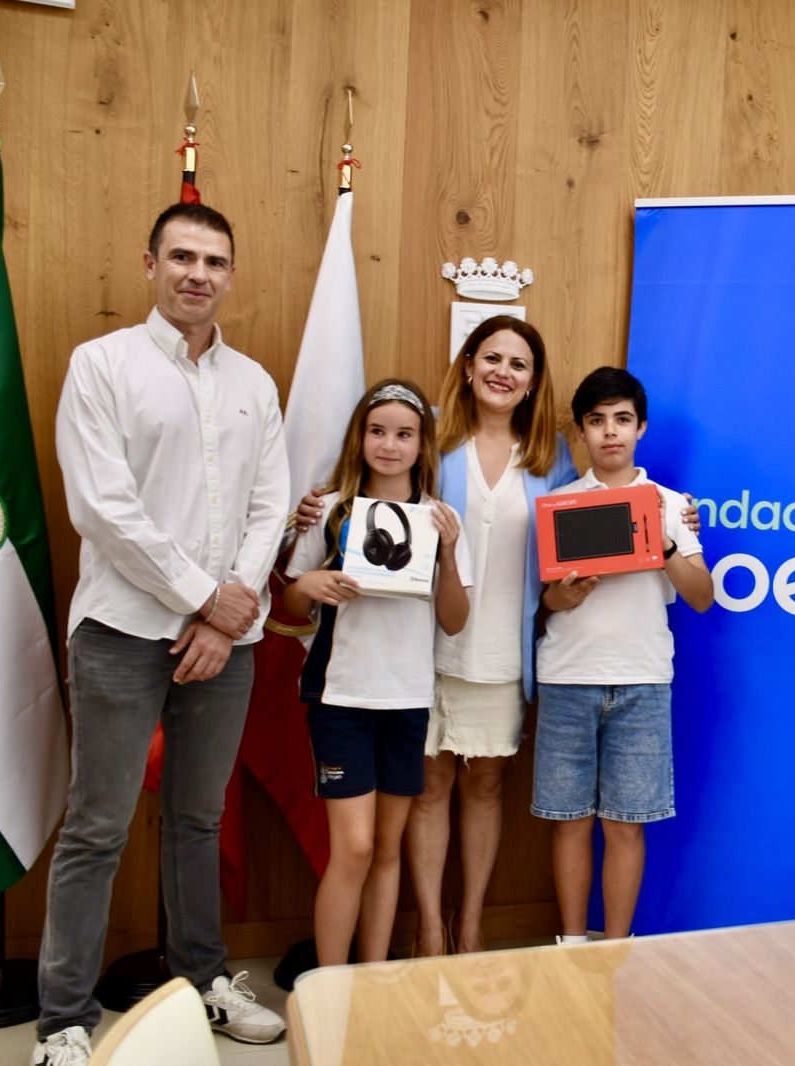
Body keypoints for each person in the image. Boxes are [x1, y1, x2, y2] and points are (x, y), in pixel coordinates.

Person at [36, 203, 289, 1065]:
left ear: (230, 275)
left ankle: (203, 982)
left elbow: (269, 506)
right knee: (97, 826)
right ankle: (63, 1023)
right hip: (121, 630)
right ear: (150, 265)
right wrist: (204, 601)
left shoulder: (254, 383)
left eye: (214, 262)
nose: (197, 274)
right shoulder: (101, 365)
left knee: (197, 820)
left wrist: (229, 611)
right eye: (182, 257)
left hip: (228, 640)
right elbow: (104, 509)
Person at [284, 379, 472, 968]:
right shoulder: (330, 509)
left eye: (404, 434)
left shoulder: (440, 518)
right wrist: (309, 584)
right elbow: (289, 603)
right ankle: (330, 986)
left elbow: (455, 621)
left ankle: (371, 981)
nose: (389, 445)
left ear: (422, 445)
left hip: (406, 700)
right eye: (377, 432)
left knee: (388, 847)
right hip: (341, 698)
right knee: (357, 847)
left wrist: (447, 557)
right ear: (359, 437)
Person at [402, 316, 575, 956]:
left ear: (532, 383)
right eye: (492, 358)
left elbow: (580, 537)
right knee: (428, 789)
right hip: (424, 647)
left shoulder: (552, 458)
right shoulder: (431, 439)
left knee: (485, 787)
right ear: (470, 365)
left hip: (505, 649)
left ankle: (470, 924)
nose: (503, 372)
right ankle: (429, 929)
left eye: (518, 364)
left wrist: (672, 516)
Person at [533, 366, 714, 941]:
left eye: (622, 419)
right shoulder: (559, 504)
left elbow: (702, 597)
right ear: (580, 431)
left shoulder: (670, 505)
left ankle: (616, 950)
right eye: (597, 421)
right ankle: (571, 944)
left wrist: (664, 541)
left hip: (642, 679)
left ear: (641, 428)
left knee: (626, 824)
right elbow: (544, 600)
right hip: (567, 676)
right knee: (569, 821)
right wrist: (561, 596)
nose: (610, 431)